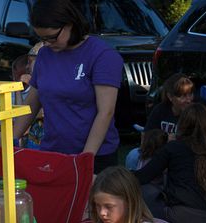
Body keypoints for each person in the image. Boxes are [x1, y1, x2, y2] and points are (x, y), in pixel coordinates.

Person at [11, 0, 123, 174]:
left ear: (70, 24)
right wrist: (11, 138)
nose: (47, 43)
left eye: (51, 37)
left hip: (95, 156)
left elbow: (106, 112)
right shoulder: (45, 55)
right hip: (53, 152)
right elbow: (32, 103)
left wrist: (86, 159)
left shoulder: (102, 55)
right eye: (41, 39)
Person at [145, 73, 194, 138]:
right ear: (170, 96)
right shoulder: (160, 110)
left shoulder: (196, 112)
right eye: (183, 96)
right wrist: (164, 139)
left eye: (190, 94)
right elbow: (146, 135)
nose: (189, 100)